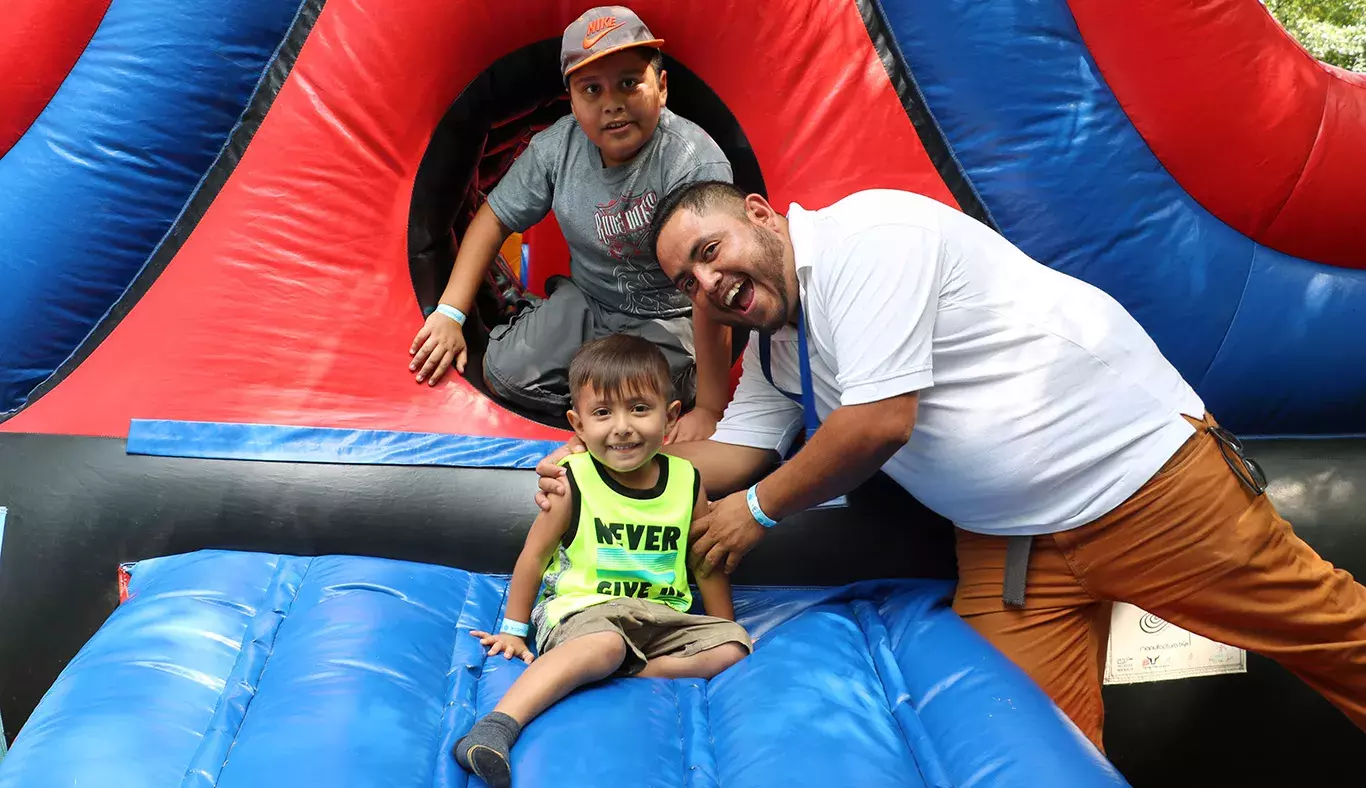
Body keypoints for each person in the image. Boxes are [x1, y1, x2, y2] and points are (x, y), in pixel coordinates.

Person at [535, 181, 1366, 751]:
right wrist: (595, 462)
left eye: (714, 251)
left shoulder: (871, 239)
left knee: (1335, 635)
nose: (713, 282)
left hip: (1144, 488)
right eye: (691, 279)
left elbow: (875, 424)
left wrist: (756, 513)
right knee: (1017, 741)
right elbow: (733, 453)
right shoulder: (783, 352)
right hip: (1014, 551)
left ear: (762, 214)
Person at [408, 6, 734, 441]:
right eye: (591, 90)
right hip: (590, 302)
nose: (612, 103)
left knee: (662, 401)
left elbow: (714, 283)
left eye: (628, 82)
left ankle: (600, 403)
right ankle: (591, 394)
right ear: (572, 102)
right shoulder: (557, 149)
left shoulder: (690, 161)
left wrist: (711, 407)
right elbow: (492, 219)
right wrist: (450, 312)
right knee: (504, 375)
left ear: (661, 87)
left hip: (672, 317)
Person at [454, 333, 751, 788]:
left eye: (639, 409)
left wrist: (721, 624)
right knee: (607, 645)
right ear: (578, 425)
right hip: (585, 614)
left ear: (670, 417)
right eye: (602, 413)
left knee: (733, 648)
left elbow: (703, 559)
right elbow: (534, 555)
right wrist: (514, 630)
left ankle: (617, 669)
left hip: (659, 618)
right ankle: (496, 727)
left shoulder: (687, 481)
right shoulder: (573, 481)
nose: (622, 427)